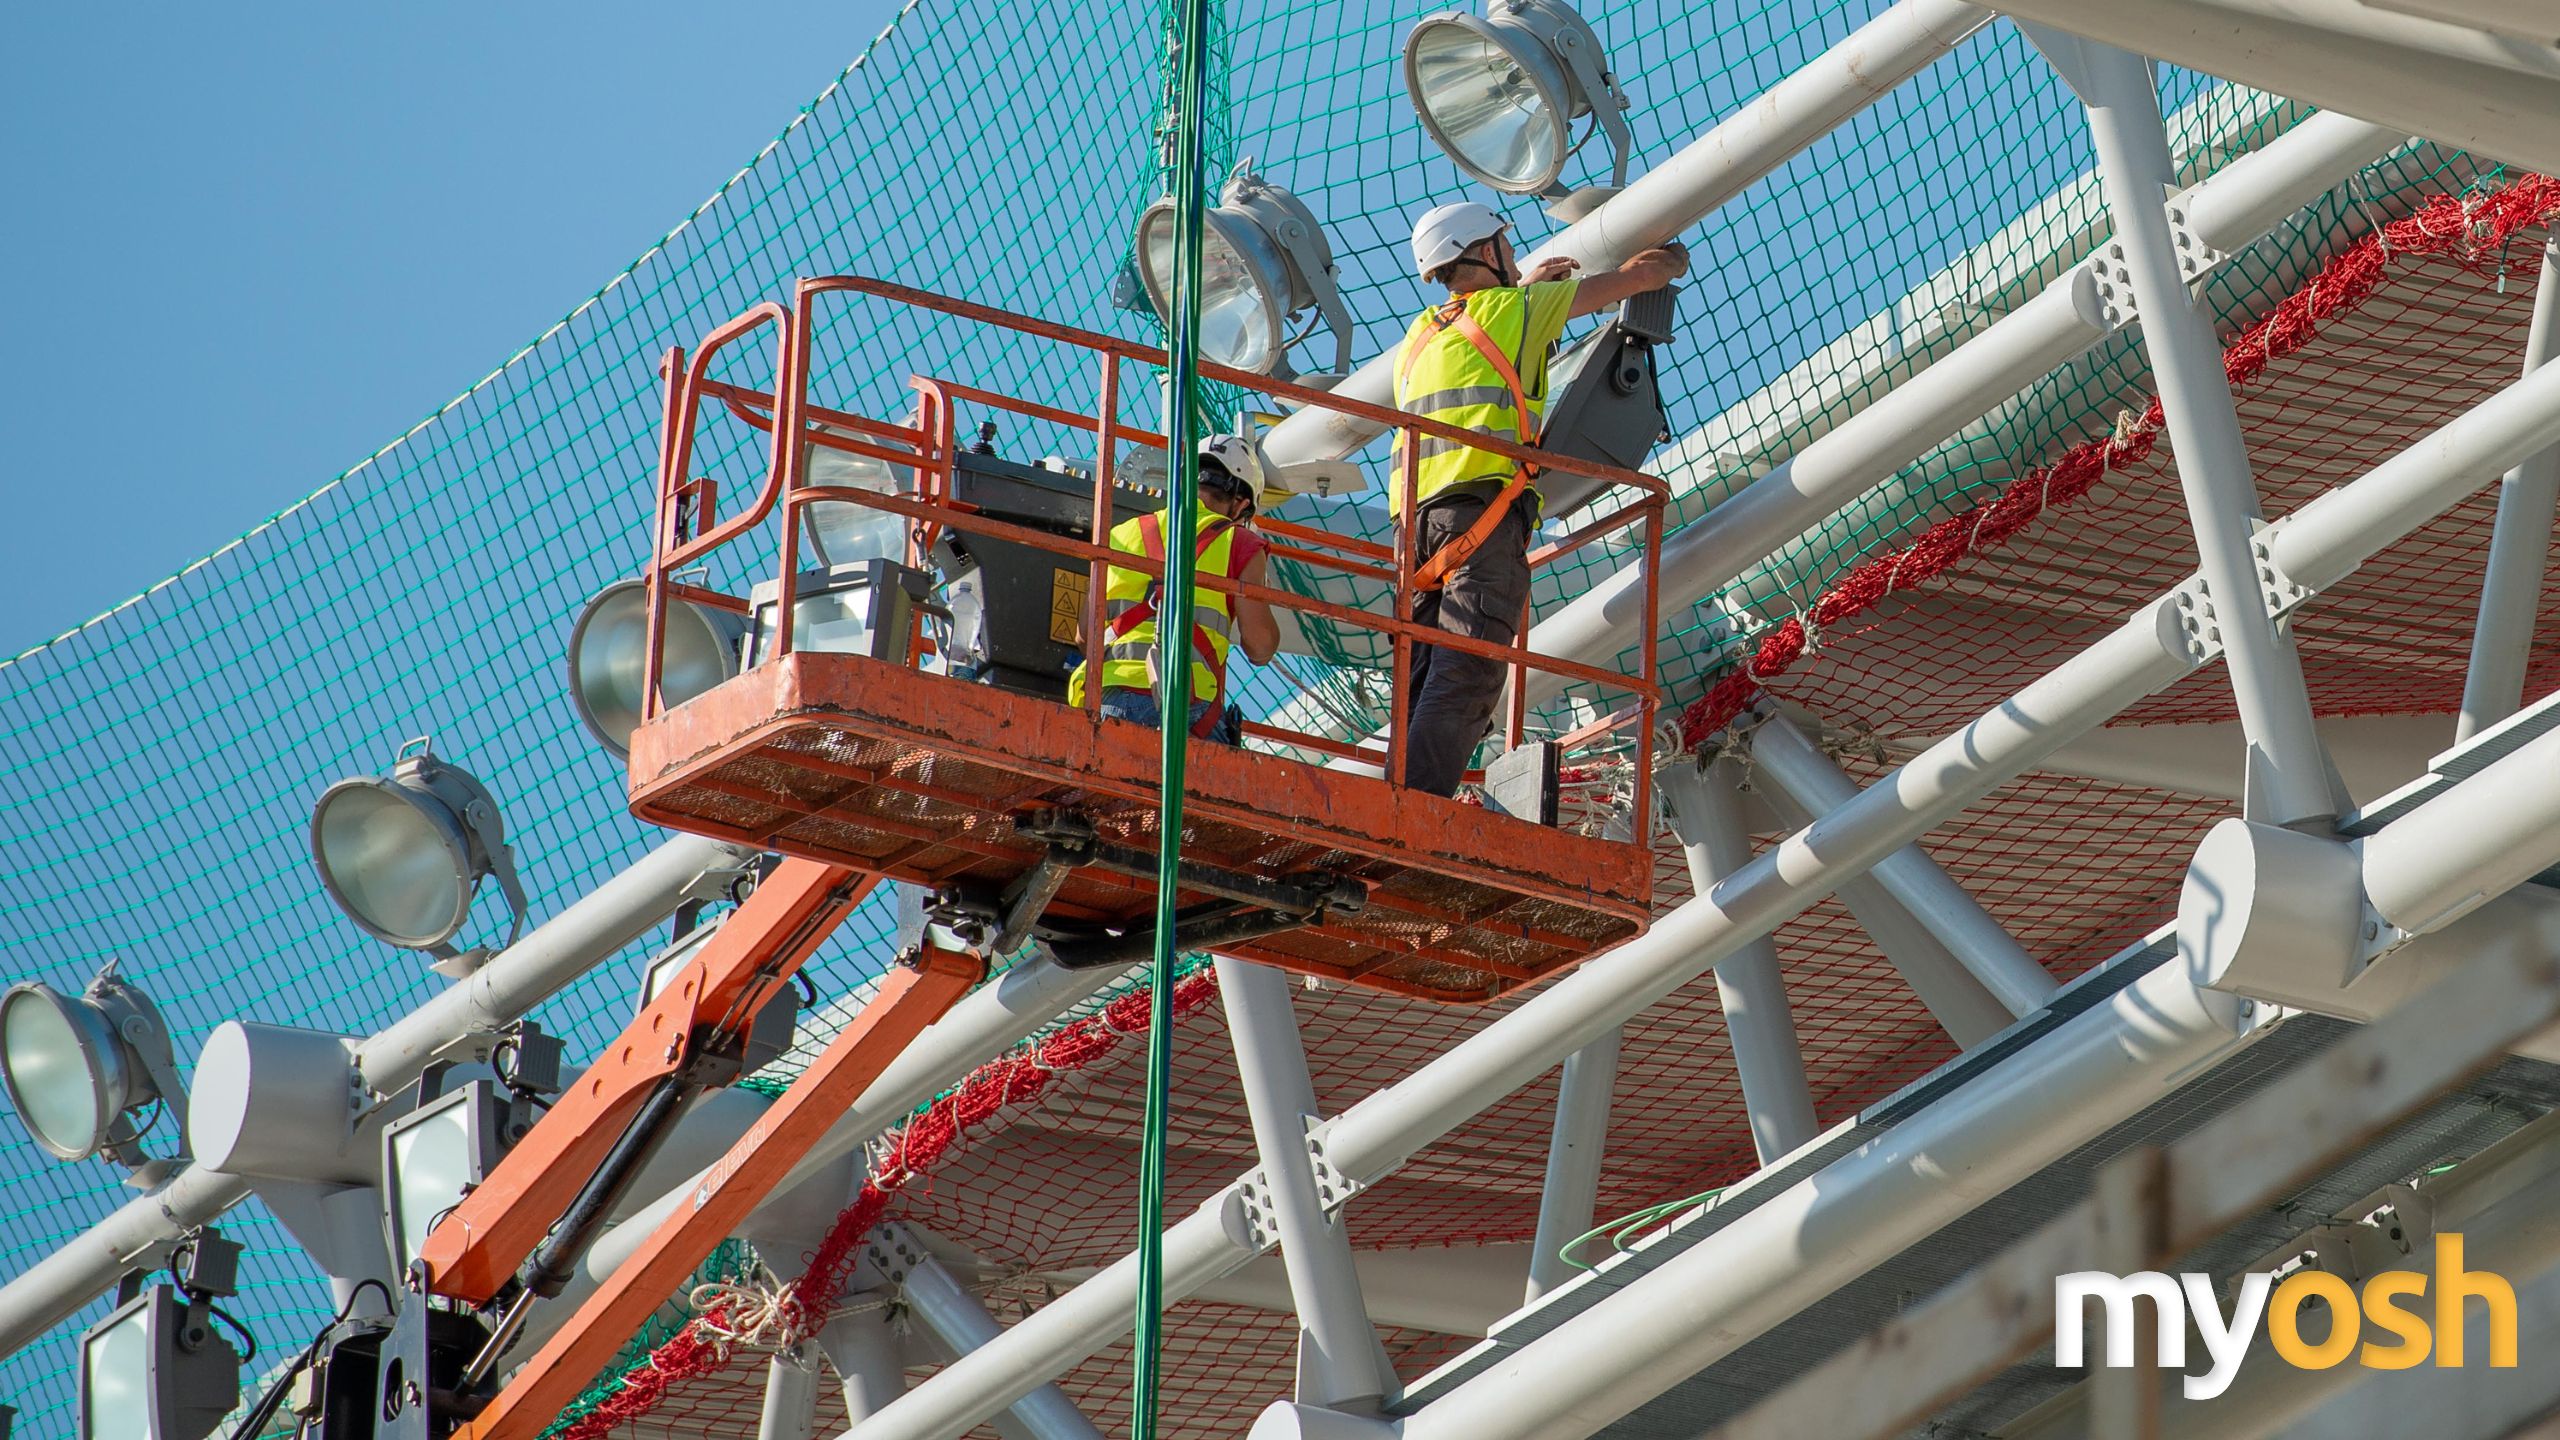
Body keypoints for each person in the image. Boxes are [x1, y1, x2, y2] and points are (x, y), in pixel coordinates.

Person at [1391, 201, 1689, 797]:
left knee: (1420, 678)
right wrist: (1667, 255)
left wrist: (1530, 292)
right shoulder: (1515, 309)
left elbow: (1489, 346)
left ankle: (1392, 791)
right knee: (1470, 670)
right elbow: (1639, 278)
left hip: (1413, 533)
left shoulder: (1420, 335)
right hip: (1482, 516)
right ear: (1485, 251)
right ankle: (1411, 809)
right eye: (1503, 243)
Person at [1066, 433, 1281, 740]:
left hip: (1103, 700)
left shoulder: (1122, 534)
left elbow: (1085, 635)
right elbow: (1260, 647)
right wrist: (1262, 592)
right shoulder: (1240, 542)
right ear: (1241, 504)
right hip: (1184, 706)